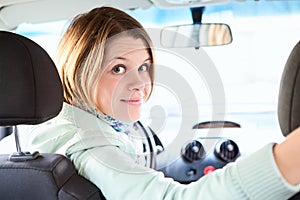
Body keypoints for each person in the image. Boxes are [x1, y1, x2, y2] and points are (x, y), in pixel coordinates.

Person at [26, 6, 300, 199]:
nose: (140, 83)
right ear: (79, 71)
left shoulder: (50, 132)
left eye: (144, 66)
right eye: (118, 69)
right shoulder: (87, 146)